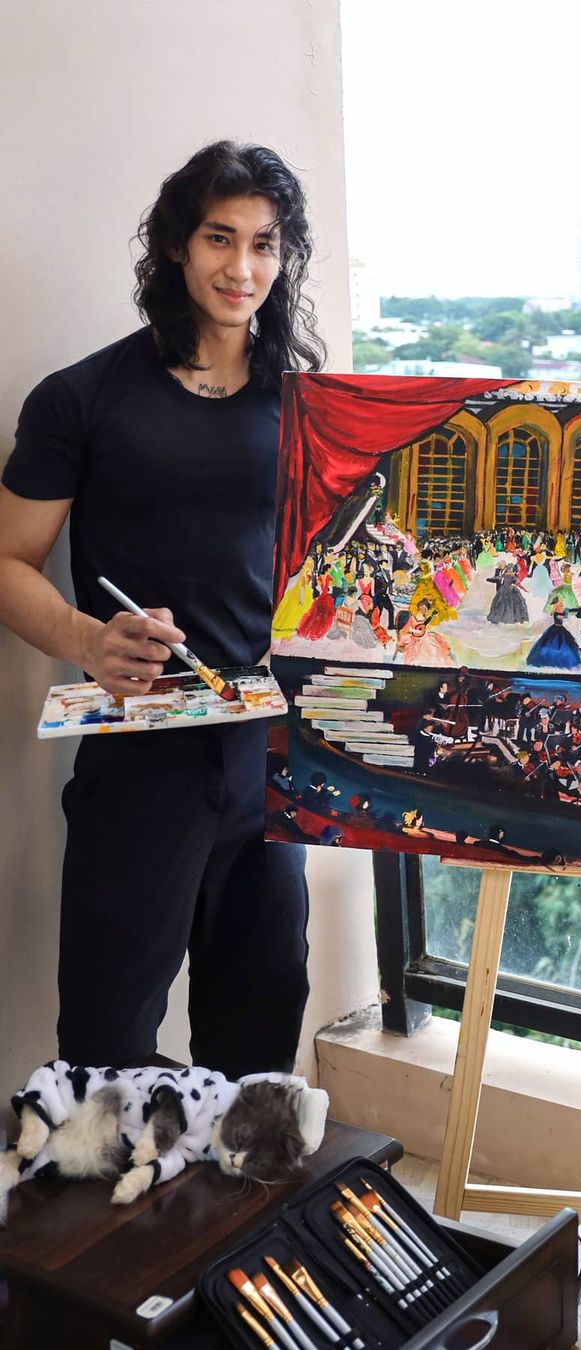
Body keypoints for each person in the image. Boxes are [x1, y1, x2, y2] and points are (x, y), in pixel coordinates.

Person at [0, 141, 325, 1078]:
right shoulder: (82, 397)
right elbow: (8, 560)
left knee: (260, 1029)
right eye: (220, 238)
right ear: (178, 245)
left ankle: (243, 1182)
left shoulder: (306, 404)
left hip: (267, 746)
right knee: (107, 1041)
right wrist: (86, 638)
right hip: (141, 746)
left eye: (264, 244)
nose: (242, 267)